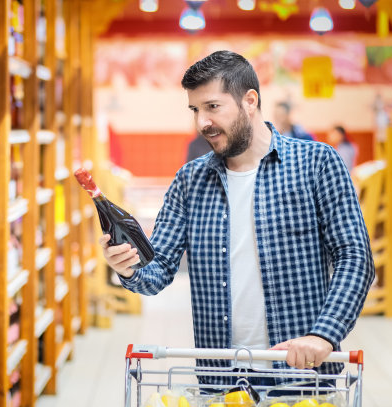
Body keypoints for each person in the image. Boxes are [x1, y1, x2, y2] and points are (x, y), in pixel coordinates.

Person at [99, 50, 374, 387]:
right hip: (221, 380)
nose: (202, 122)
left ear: (250, 101)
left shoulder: (316, 164)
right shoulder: (189, 182)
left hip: (302, 375)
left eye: (212, 107)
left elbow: (355, 257)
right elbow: (156, 272)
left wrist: (324, 334)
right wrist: (127, 265)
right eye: (195, 110)